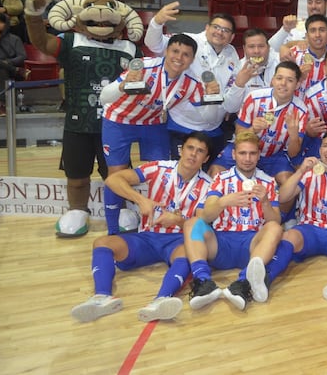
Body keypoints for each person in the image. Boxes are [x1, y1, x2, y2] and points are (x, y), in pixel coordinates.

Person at [24, 0, 142, 237]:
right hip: (78, 124)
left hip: (116, 126)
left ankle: (120, 210)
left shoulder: (130, 49)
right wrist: (34, 16)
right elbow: (41, 43)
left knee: (118, 174)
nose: (101, 19)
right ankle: (77, 210)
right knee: (77, 176)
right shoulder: (71, 41)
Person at [70, 132, 213, 323]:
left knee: (190, 254)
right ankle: (102, 297)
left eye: (200, 151)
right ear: (181, 150)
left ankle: (161, 300)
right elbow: (113, 180)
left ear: (206, 158)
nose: (193, 154)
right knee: (102, 243)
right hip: (147, 237)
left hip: (177, 240)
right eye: (190, 148)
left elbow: (204, 224)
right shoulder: (159, 167)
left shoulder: (209, 185)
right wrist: (141, 200)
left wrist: (178, 221)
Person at [99, 34, 203, 236]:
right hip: (119, 120)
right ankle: (112, 231)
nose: (179, 58)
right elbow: (104, 97)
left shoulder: (192, 82)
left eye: (186, 54)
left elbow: (206, 114)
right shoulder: (144, 67)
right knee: (116, 174)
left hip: (153, 124)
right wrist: (122, 85)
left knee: (161, 175)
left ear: (192, 59)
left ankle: (157, 226)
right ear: (166, 51)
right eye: (175, 51)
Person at [182, 130, 282, 311]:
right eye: (242, 153)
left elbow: (276, 220)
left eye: (252, 153)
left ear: (258, 155)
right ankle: (203, 282)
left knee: (275, 227)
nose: (247, 158)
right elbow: (205, 216)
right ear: (234, 154)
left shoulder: (268, 182)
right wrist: (223, 202)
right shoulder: (221, 179)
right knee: (192, 224)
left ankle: (243, 282)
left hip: (252, 245)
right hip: (221, 243)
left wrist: (265, 202)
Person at [263, 132, 327, 301]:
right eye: (325, 145)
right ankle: (265, 278)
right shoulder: (308, 173)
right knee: (288, 236)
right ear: (320, 150)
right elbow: (282, 197)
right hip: (308, 229)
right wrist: (300, 171)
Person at [144, 2, 245, 163]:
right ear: (207, 28)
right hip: (183, 125)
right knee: (182, 171)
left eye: (226, 30)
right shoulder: (189, 40)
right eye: (216, 27)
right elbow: (155, 45)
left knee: (207, 173)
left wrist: (230, 104)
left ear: (232, 37)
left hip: (213, 127)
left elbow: (232, 85)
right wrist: (157, 22)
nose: (220, 32)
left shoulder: (232, 53)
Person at [212, 61, 306, 200]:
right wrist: (252, 129)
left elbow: (293, 153)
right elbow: (239, 136)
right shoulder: (254, 97)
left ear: (297, 85)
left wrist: (293, 136)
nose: (283, 83)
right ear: (273, 80)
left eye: (290, 80)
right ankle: (220, 211)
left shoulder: (301, 110)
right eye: (279, 78)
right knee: (215, 172)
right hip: (244, 148)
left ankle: (280, 214)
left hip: (274, 155)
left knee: (288, 184)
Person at [0, 13, 28, 115]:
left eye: (1, 22)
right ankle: (16, 70)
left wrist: (8, 62)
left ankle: (2, 104)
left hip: (4, 69)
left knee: (3, 71)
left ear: (6, 24)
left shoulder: (14, 39)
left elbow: (22, 56)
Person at [233, 27, 279, 100]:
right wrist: (238, 85)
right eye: (251, 47)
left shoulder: (280, 62)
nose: (256, 51)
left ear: (268, 47)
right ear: (244, 49)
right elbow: (229, 106)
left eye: (261, 46)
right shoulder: (238, 68)